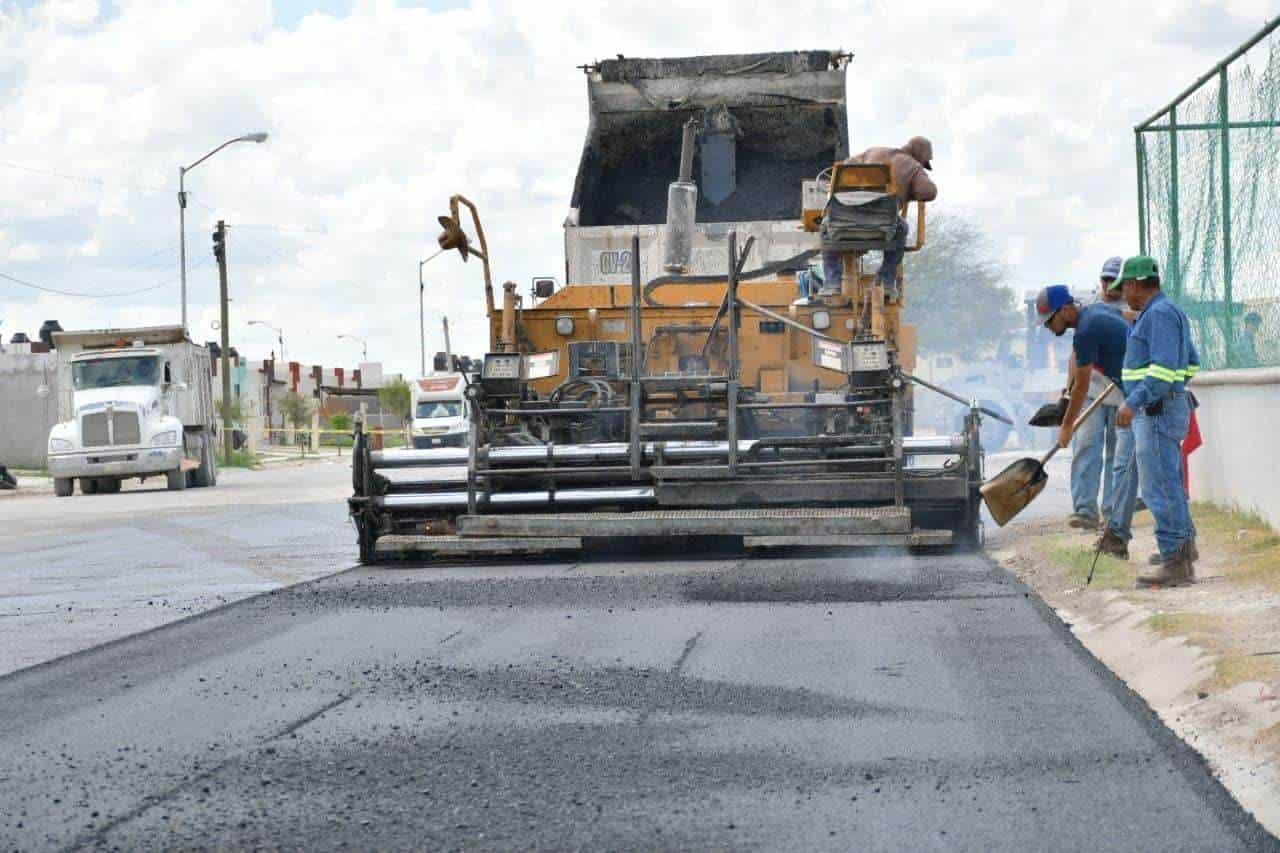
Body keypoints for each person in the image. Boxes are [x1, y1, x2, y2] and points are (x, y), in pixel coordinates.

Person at [1113, 255, 1200, 587]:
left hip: (1155, 411)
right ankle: (1182, 550)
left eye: (1126, 288)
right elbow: (1190, 362)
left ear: (1136, 284)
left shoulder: (1158, 315)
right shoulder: (1166, 311)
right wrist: (1175, 388)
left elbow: (1163, 369)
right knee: (1169, 483)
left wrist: (1133, 403)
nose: (1124, 294)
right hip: (1164, 406)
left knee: (1158, 487)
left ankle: (1174, 560)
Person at [1036, 283, 1129, 532]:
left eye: (1049, 320)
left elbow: (1082, 383)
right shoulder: (1094, 315)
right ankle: (1086, 511)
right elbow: (1076, 369)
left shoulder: (1087, 328)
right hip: (1115, 386)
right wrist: (1066, 400)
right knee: (1090, 446)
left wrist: (1067, 425)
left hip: (1127, 391)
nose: (1047, 326)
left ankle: (1113, 516)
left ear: (1065, 309)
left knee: (1118, 455)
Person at [821, 137, 937, 294]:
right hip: (882, 228)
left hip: (843, 224)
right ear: (920, 156)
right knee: (902, 228)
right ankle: (886, 282)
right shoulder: (914, 167)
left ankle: (832, 283)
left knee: (825, 226)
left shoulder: (872, 151)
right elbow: (927, 192)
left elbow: (847, 165)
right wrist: (909, 191)